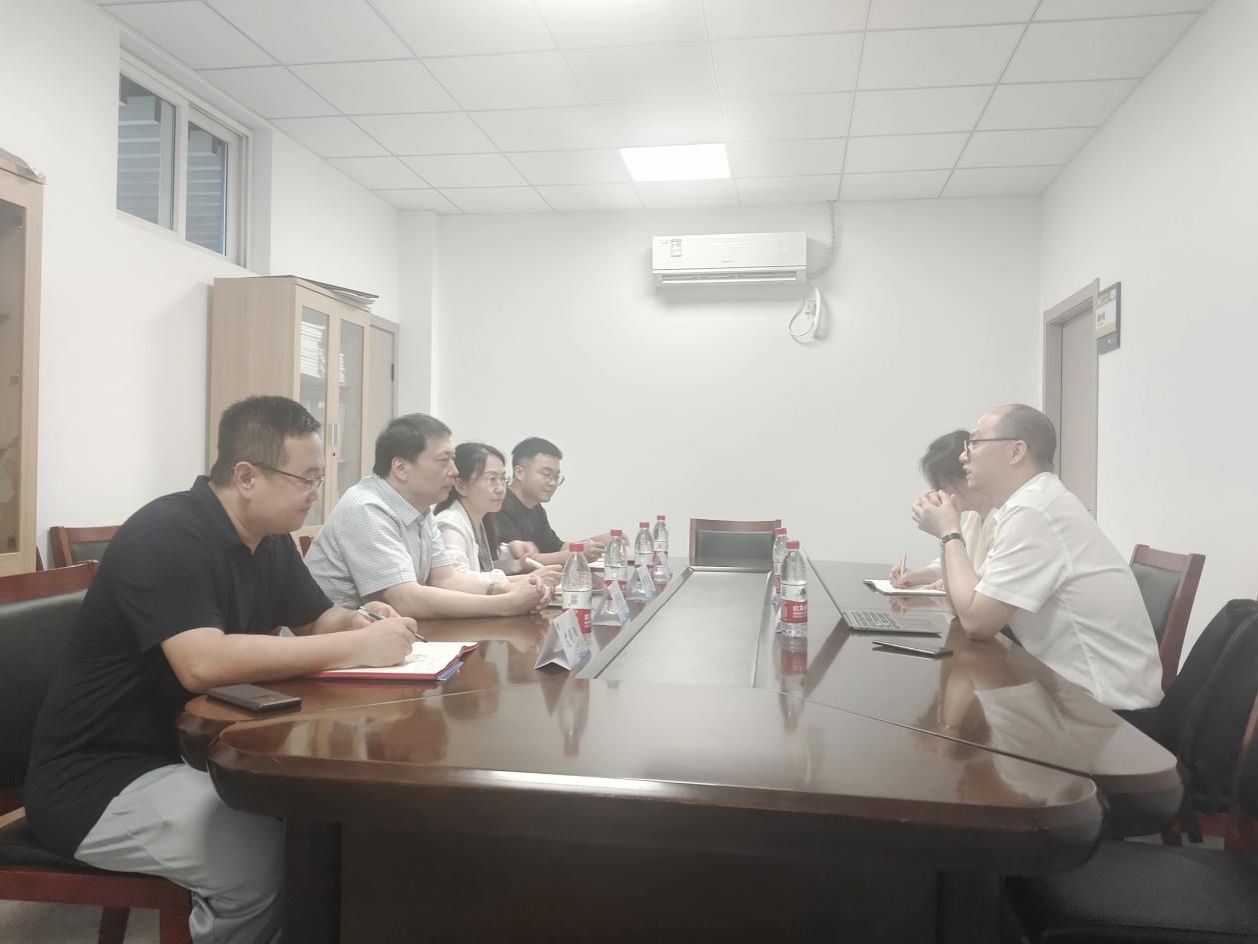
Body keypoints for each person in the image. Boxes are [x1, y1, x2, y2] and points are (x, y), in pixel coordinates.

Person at [24, 396, 418, 944]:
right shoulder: (167, 535)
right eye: (306, 479)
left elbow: (315, 619)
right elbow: (201, 662)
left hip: (190, 751)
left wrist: (359, 620)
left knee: (323, 828)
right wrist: (356, 646)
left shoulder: (269, 539)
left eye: (320, 478)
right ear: (246, 476)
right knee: (257, 860)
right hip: (98, 777)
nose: (316, 493)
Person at [911, 403, 1162, 711]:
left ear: (1016, 451)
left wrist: (949, 531)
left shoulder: (1034, 511)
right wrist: (946, 533)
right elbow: (968, 604)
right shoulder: (1027, 505)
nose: (964, 456)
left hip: (1103, 708)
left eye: (974, 443)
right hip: (1065, 692)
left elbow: (976, 622)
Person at [305, 414, 549, 618]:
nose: (455, 471)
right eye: (444, 461)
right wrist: (505, 604)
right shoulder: (367, 508)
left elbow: (446, 579)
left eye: (453, 460)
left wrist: (518, 586)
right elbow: (405, 599)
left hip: (380, 635)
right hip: (331, 644)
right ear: (401, 467)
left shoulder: (420, 508)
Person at [433, 441, 561, 587]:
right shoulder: (450, 524)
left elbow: (484, 568)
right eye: (492, 479)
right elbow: (459, 579)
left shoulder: (480, 519)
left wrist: (514, 559)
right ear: (462, 486)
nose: (500, 489)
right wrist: (528, 578)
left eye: (503, 479)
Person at [891, 430, 996, 589]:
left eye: (944, 485)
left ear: (967, 474)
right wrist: (917, 576)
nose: (941, 493)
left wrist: (945, 531)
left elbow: (982, 585)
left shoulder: (1000, 518)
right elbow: (953, 563)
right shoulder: (975, 516)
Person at [489, 437, 608, 566]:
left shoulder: (536, 508)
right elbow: (519, 562)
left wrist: (596, 542)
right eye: (546, 474)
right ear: (519, 473)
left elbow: (556, 547)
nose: (552, 483)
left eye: (556, 477)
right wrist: (576, 553)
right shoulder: (500, 506)